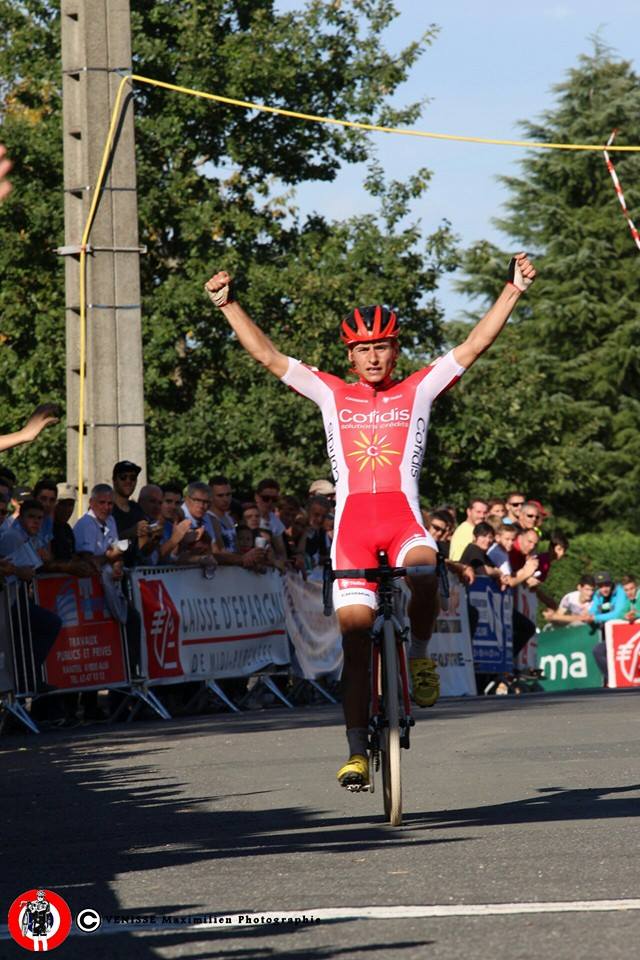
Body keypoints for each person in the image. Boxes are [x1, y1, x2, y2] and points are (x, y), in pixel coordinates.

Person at [204, 251, 536, 788]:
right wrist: (229, 304)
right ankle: (357, 751)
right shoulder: (332, 393)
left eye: (382, 347)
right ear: (351, 357)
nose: (374, 358)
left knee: (426, 568)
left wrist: (513, 289)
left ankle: (422, 657)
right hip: (353, 532)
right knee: (356, 642)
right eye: (363, 350)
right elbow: (268, 356)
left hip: (403, 521)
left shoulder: (418, 390)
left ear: (395, 350)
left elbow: (475, 345)